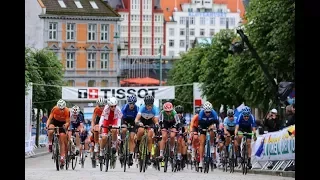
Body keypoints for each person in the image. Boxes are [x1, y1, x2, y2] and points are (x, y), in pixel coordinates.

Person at [134, 95, 160, 165]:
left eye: (150, 105)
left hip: (150, 122)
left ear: (153, 104)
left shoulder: (155, 109)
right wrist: (138, 123)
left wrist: (157, 124)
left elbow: (156, 120)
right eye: (148, 105)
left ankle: (148, 156)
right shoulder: (142, 107)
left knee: (150, 135)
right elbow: (137, 119)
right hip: (142, 121)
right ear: (145, 104)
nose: (149, 107)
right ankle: (138, 144)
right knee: (141, 131)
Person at [98, 97, 123, 163]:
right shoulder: (106, 108)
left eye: (114, 106)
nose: (113, 108)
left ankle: (114, 145)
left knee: (114, 130)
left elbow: (119, 119)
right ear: (109, 105)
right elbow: (102, 118)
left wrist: (119, 126)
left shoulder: (118, 109)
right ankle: (101, 152)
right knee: (104, 138)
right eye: (112, 106)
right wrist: (101, 126)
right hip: (106, 121)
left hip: (114, 121)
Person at [46, 99, 70, 166]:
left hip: (62, 123)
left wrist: (66, 125)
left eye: (63, 109)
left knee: (62, 138)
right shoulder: (55, 109)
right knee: (51, 130)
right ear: (58, 107)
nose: (61, 110)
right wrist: (47, 125)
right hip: (55, 121)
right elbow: (50, 118)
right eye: (60, 109)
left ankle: (62, 157)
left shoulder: (67, 111)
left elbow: (68, 121)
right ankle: (50, 143)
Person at [197, 101, 219, 168]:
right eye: (206, 112)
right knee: (202, 142)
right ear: (204, 110)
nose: (208, 113)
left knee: (212, 130)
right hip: (203, 126)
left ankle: (211, 144)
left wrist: (215, 128)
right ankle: (201, 161)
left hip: (211, 124)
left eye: (209, 112)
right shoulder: (201, 113)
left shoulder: (214, 113)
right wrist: (200, 129)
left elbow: (216, 123)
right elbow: (199, 124)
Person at [120, 94, 139, 165]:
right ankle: (122, 143)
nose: (132, 105)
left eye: (133, 103)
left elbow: (138, 119)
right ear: (128, 103)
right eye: (130, 103)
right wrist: (122, 126)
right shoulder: (125, 107)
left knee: (132, 137)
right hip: (125, 120)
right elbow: (121, 117)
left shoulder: (137, 108)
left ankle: (130, 156)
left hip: (133, 122)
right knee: (124, 130)